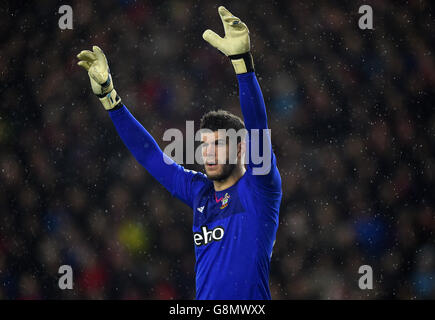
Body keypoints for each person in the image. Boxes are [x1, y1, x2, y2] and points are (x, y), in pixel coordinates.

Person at [77, 6, 282, 300]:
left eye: (218, 144)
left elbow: (258, 128)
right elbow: (151, 156)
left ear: (240, 148)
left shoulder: (259, 188)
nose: (208, 154)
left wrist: (242, 66)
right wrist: (111, 100)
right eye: (205, 145)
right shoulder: (200, 192)